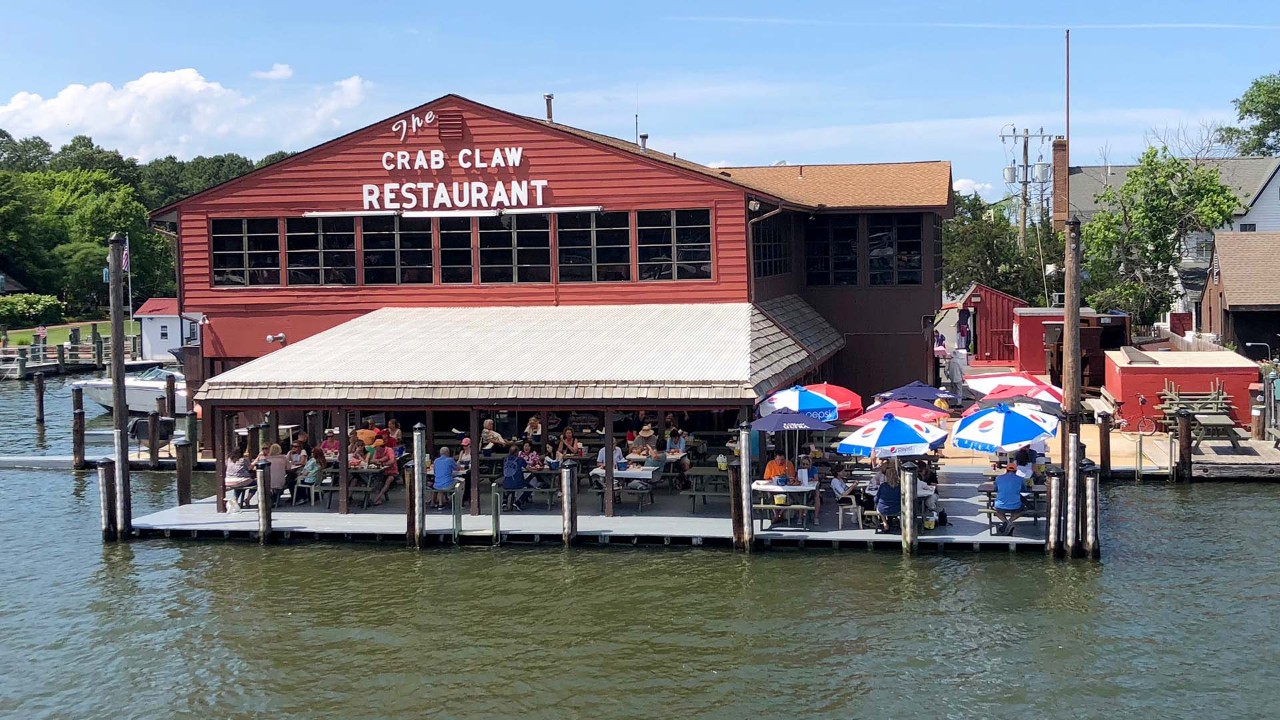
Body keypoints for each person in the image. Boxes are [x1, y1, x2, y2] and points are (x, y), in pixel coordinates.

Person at [993, 463, 1026, 535]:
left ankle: (1005, 522)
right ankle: (1010, 522)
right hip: (1015, 506)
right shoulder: (1020, 479)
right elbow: (1024, 489)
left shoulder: (998, 478)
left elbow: (995, 488)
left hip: (1000, 506)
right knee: (1023, 509)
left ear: (1006, 470)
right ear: (1016, 471)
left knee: (995, 509)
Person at [368, 438, 400, 505]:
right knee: (376, 479)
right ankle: (377, 498)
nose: (375, 449)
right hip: (381, 471)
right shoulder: (377, 452)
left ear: (380, 446)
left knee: (388, 480)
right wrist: (381, 460)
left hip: (392, 472)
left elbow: (392, 461)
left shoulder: (389, 450)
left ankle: (377, 497)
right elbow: (372, 460)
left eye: (376, 447)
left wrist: (383, 463)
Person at [224, 443, 255, 509]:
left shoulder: (229, 459)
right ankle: (247, 499)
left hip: (228, 481)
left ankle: (235, 499)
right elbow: (250, 468)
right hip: (240, 481)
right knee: (257, 482)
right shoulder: (243, 460)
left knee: (240, 484)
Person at [502, 445, 531, 510]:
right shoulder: (520, 459)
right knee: (530, 488)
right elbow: (529, 469)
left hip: (506, 483)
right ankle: (519, 502)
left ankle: (504, 503)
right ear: (517, 452)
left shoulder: (505, 459)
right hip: (518, 483)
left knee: (506, 483)